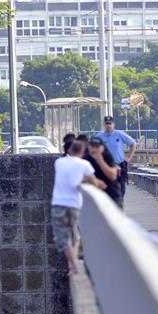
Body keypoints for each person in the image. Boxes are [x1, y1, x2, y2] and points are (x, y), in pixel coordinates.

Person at [51, 138, 105, 275]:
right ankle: (74, 264)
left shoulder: (59, 162)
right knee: (74, 235)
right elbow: (94, 182)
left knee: (63, 237)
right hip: (74, 204)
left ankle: (72, 265)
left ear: (69, 150)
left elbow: (68, 177)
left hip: (58, 203)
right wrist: (100, 183)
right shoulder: (84, 164)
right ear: (82, 151)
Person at [97, 116, 137, 198]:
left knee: (122, 187)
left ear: (113, 124)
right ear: (104, 125)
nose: (108, 125)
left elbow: (133, 143)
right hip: (106, 166)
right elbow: (92, 148)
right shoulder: (99, 136)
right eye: (106, 123)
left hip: (120, 164)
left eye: (110, 123)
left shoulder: (119, 134)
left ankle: (119, 202)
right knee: (107, 186)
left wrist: (129, 157)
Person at [84, 137, 123, 208]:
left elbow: (112, 176)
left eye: (97, 147)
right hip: (94, 194)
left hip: (111, 192)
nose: (94, 149)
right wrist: (94, 181)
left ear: (102, 147)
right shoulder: (86, 158)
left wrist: (100, 161)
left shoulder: (107, 156)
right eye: (92, 146)